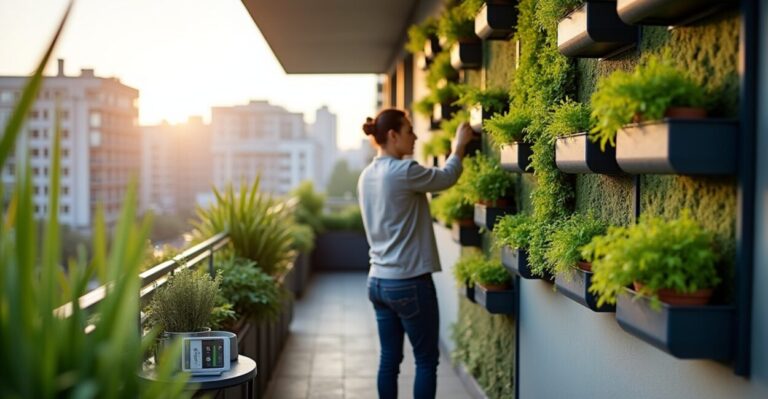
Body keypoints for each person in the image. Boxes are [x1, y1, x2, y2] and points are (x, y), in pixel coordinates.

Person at [357, 108, 475, 399]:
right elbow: (446, 177)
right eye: (410, 131)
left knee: (389, 360)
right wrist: (458, 147)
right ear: (393, 135)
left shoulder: (366, 176)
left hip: (378, 283)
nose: (416, 136)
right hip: (409, 282)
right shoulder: (403, 171)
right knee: (425, 361)